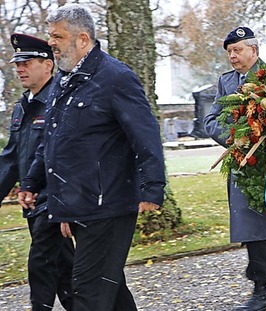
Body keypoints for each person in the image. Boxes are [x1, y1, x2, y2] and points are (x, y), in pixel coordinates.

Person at [17, 4, 166, 310]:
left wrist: (153, 187)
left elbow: (145, 134)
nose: (52, 43)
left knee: (88, 291)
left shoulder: (116, 77)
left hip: (109, 203)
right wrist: (32, 181)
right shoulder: (63, 80)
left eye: (58, 36)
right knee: (111, 290)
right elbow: (52, 140)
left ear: (82, 39)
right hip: (79, 202)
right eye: (50, 35)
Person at [203, 27, 266, 311]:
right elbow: (210, 119)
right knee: (254, 228)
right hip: (240, 163)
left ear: (254, 50)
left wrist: (261, 134)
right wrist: (233, 136)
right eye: (229, 51)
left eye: (237, 50)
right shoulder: (226, 81)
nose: (232, 56)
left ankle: (265, 290)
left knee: (259, 227)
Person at [0, 33, 74, 311]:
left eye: (27, 62)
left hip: (57, 197)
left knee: (41, 262)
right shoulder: (23, 106)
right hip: (33, 201)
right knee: (65, 268)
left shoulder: (61, 101)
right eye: (17, 63)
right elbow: (10, 158)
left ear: (48, 65)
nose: (19, 68)